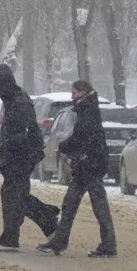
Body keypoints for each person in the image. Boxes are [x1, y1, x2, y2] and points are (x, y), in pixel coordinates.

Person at [37, 80, 118, 257]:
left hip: (91, 165)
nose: (72, 97)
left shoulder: (88, 110)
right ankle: (59, 241)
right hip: (86, 165)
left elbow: (82, 137)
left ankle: (108, 245)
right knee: (70, 203)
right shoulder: (86, 108)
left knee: (98, 207)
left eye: (74, 93)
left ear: (83, 92)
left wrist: (64, 147)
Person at [0, 63, 60, 252]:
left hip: (20, 157)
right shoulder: (13, 99)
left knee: (14, 196)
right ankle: (45, 228)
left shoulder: (19, 101)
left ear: (3, 82)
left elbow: (27, 130)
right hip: (16, 156)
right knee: (17, 196)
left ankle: (15, 236)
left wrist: (12, 145)